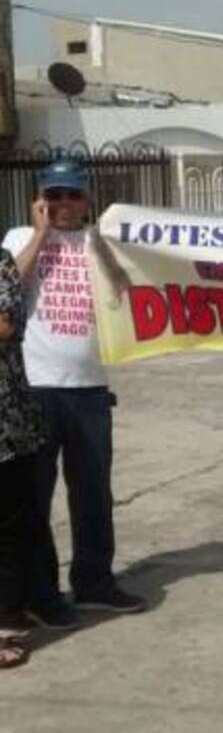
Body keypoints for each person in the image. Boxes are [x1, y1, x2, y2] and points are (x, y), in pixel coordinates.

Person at [1, 158, 144, 630]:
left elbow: (124, 290)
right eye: (55, 195)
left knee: (93, 494)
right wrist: (42, 236)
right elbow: (9, 289)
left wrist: (98, 242)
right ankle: (40, 594)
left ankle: (94, 582)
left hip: (89, 390)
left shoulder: (98, 242)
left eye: (72, 195)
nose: (64, 205)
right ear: (41, 198)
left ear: (87, 199)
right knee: (34, 500)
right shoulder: (18, 239)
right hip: (36, 391)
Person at [0, 247, 46, 668]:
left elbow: (4, 326)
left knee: (14, 524)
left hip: (8, 420)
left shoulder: (1, 263)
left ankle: (9, 614)